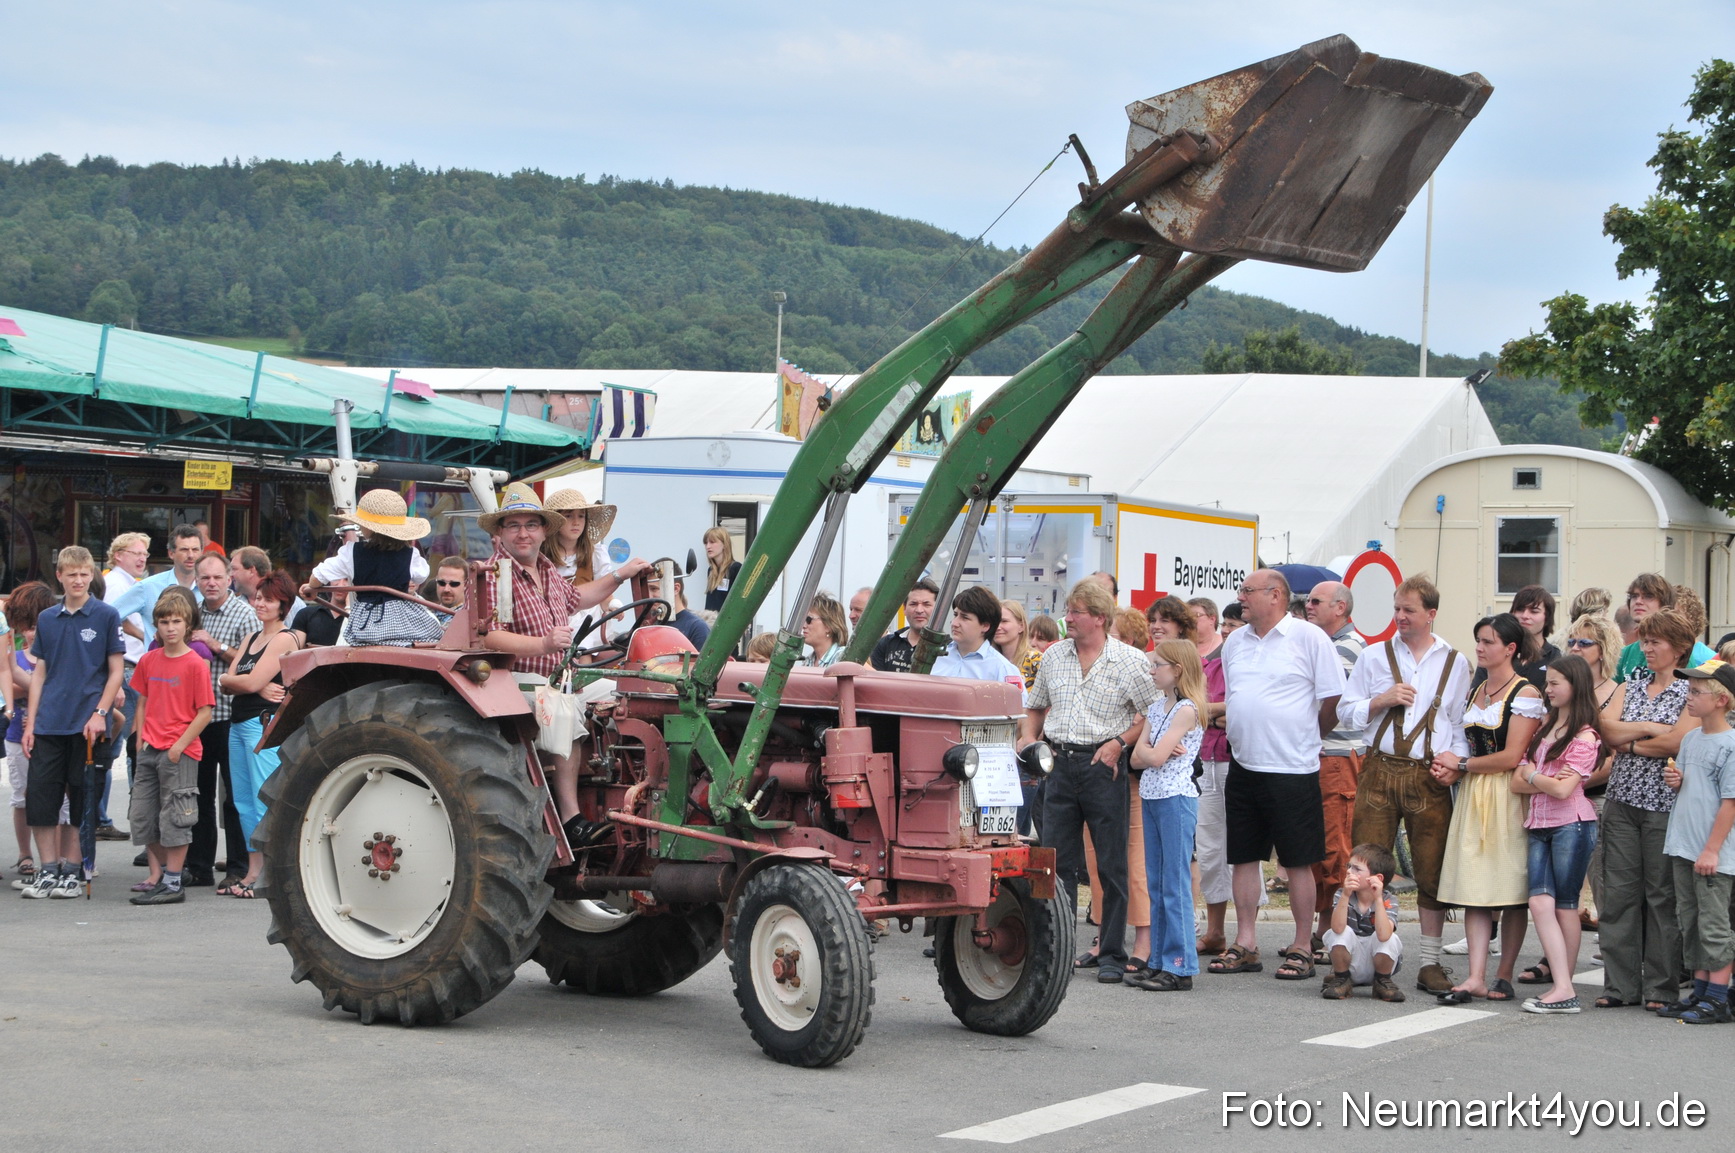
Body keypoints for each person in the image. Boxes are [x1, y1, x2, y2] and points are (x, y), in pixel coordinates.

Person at [478, 484, 648, 849]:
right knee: (565, 710)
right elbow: (490, 635)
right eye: (513, 525)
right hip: (518, 679)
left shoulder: (546, 569)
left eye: (531, 525)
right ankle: (571, 818)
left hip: (559, 676)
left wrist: (622, 574)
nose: (523, 533)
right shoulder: (495, 574)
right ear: (501, 532)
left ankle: (630, 791)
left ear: (543, 530)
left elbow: (579, 597)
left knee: (628, 695)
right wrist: (543, 644)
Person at [1339, 574, 1473, 995]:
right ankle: (1359, 958)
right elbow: (1346, 712)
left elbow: (1455, 723)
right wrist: (1382, 700)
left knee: (1432, 868)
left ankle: (1430, 964)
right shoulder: (1374, 656)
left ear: (1430, 614)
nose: (1399, 617)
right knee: (1366, 865)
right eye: (1396, 609)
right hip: (1378, 768)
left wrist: (1456, 764)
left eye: (1408, 610)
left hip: (1428, 773)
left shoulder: (1455, 662)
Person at [1021, 578, 1157, 985]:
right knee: (1051, 864)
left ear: (1099, 617)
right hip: (1058, 763)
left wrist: (1120, 743)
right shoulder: (1054, 657)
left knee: (1112, 863)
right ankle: (1052, 947)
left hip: (1103, 764)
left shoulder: (1130, 660)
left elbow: (1154, 713)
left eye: (1076, 612)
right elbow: (1036, 708)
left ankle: (1111, 951)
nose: (1068, 618)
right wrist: (1029, 742)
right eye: (1068, 610)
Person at [1211, 569, 1342, 981]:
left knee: (1299, 860)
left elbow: (1332, 699)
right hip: (1245, 764)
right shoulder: (1235, 643)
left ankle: (1302, 945)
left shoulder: (1309, 638)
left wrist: (1307, 737)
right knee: (1243, 857)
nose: (1241, 597)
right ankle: (1246, 942)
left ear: (1276, 595)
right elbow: (1236, 697)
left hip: (1292, 767)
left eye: (1248, 591)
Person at [1433, 614, 1543, 1004]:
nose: (1479, 648)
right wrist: (1450, 764)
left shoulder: (1526, 694)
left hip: (1507, 794)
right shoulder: (1475, 690)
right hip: (1474, 793)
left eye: (1488, 642)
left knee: (1510, 889)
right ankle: (1476, 975)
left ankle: (1504, 973)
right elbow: (1465, 743)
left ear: (1510, 649)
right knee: (1475, 886)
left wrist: (1460, 765)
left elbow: (1512, 756)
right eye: (1478, 640)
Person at [1596, 607, 1700, 1010]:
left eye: (1656, 641)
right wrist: (1653, 729)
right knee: (1619, 895)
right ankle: (1619, 986)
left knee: (1661, 896)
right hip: (1622, 801)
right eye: (1644, 640)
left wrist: (1633, 741)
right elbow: (1605, 728)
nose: (1647, 648)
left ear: (1679, 649)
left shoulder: (1688, 690)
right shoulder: (1631, 684)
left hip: (1664, 806)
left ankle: (1661, 986)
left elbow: (1678, 743)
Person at [20, 547, 124, 899]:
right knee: (41, 798)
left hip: (88, 725)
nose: (78, 580)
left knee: (82, 799)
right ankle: (47, 868)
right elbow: (40, 673)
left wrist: (99, 713)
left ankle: (71, 868)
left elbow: (115, 672)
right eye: (71, 574)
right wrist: (31, 723)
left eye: (84, 574)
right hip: (50, 722)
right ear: (60, 576)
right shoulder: (48, 618)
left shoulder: (106, 615)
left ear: (91, 575)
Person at [1508, 654, 1602, 1014]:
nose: (1548, 689)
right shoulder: (1544, 727)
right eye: (1548, 683)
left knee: (1564, 905)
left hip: (1572, 824)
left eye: (1555, 683)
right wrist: (1540, 779)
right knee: (1540, 902)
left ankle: (1564, 988)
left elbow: (1564, 790)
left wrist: (1534, 776)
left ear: (1574, 686)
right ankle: (1563, 986)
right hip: (1539, 825)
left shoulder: (1586, 735)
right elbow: (1518, 781)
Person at [125, 590, 215, 905]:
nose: (170, 628)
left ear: (187, 623)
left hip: (180, 750)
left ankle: (174, 882)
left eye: (176, 621)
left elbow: (206, 711)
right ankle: (163, 875)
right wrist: (139, 739)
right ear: (156, 626)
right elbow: (142, 700)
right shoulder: (149, 660)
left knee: (177, 816)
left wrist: (179, 746)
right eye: (164, 622)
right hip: (149, 747)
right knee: (142, 816)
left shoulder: (195, 663)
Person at [1126, 639, 1206, 992]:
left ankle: (1180, 964)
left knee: (1174, 883)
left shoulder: (1187, 710)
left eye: (1158, 664)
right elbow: (1136, 758)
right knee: (1156, 881)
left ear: (1178, 669)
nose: (1152, 670)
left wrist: (1150, 751)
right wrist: (1150, 749)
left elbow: (1154, 758)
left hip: (1176, 796)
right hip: (1152, 793)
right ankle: (1157, 959)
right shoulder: (1157, 708)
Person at [1658, 659, 1735, 1023]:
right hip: (1684, 845)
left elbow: (1730, 802)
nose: (1689, 698)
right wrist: (1678, 780)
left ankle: (1719, 998)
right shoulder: (1690, 738)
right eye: (1689, 691)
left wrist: (1712, 849)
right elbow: (1693, 786)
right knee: (1690, 920)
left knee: (1713, 924)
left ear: (1721, 700)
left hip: (1711, 851)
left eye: (1696, 692)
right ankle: (1701, 991)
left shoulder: (1731, 743)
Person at [217, 571, 302, 898]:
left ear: (284, 604)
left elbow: (243, 682)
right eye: (258, 597)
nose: (260, 604)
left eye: (268, 599)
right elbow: (227, 682)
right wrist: (239, 681)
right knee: (241, 801)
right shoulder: (251, 638)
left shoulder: (286, 638)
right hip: (239, 723)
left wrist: (239, 681)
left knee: (263, 798)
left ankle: (267, 873)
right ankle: (254, 870)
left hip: (262, 724)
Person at [183, 552, 260, 889]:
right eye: (204, 579)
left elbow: (254, 664)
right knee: (198, 794)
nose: (211, 584)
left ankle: (238, 866)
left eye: (217, 577)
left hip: (231, 715)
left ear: (230, 578)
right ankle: (198, 865)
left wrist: (217, 646)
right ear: (196, 582)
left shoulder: (245, 614)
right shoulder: (191, 613)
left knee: (234, 797)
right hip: (197, 717)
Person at [1305, 580, 1365, 963]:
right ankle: (1323, 928)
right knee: (1317, 846)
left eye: (1316, 601)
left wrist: (1309, 733)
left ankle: (1336, 930)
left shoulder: (1348, 647)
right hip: (1319, 755)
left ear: (1340, 607)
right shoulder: (1325, 644)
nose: (1307, 606)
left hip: (1337, 755)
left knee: (1334, 846)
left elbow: (1329, 702)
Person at [305, 490, 442, 646]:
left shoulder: (351, 552)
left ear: (368, 527)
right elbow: (421, 576)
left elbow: (318, 576)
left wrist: (311, 587)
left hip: (365, 623)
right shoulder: (410, 554)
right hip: (401, 622)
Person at [1559, 613, 1624, 929]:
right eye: (1571, 641)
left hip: (1596, 798)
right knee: (1562, 887)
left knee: (1602, 881)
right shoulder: (1561, 690)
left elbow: (1613, 757)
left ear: (1604, 648)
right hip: (1557, 798)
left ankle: (1614, 957)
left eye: (1584, 642)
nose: (1575, 648)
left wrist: (1575, 781)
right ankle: (1552, 959)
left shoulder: (1617, 692)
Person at [1191, 594, 1236, 957]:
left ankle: (1243, 932)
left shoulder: (1229, 654)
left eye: (1194, 617)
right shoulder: (1189, 658)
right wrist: (1209, 713)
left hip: (1229, 757)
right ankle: (1216, 930)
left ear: (1209, 617)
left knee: (1236, 848)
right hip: (1199, 758)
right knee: (1207, 848)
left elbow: (1239, 704)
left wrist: (1205, 711)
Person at [99, 531, 151, 840]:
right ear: (118, 555)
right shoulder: (115, 584)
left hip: (132, 668)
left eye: (145, 553)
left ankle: (103, 815)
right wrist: (138, 635)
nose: (142, 557)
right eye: (136, 552)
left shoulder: (130, 583)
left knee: (124, 743)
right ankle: (102, 816)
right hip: (127, 670)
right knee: (126, 743)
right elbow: (110, 619)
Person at [6, 583, 54, 888]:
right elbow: (6, 686)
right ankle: (26, 854)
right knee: (21, 796)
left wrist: (31, 686)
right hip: (16, 733)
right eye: (29, 627)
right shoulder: (17, 655)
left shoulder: (54, 655)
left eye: (38, 626)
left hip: (49, 733)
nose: (33, 633)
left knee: (54, 798)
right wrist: (38, 687)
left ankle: (56, 859)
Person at [1318, 843, 1406, 1002]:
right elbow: (1337, 928)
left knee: (1391, 938)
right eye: (1349, 866)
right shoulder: (1342, 894)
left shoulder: (1388, 900)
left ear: (1377, 878)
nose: (1349, 872)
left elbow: (1384, 934)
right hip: (1351, 963)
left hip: (1377, 964)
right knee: (1338, 932)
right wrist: (1345, 895)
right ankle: (1342, 979)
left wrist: (1378, 899)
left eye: (1357, 869)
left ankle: (1382, 981)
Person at [543, 489, 626, 644]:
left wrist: (613, 606)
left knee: (585, 647)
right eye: (568, 516)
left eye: (581, 516)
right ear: (555, 521)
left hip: (589, 625)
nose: (576, 522)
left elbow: (604, 594)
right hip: (552, 623)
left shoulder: (595, 554)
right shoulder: (541, 557)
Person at [110, 524, 203, 648]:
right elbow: (109, 616)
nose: (191, 555)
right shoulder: (148, 587)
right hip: (156, 663)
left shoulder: (209, 588)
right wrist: (143, 636)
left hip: (197, 663)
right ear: (171, 553)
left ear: (202, 552)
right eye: (184, 550)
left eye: (195, 549)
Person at [1615, 574, 1714, 682]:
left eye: (1648, 596)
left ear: (1665, 603)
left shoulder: (1677, 650)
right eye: (1634, 596)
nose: (1638, 601)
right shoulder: (1625, 653)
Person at [932, 587, 1023, 685]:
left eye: (965, 617)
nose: (955, 623)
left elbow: (1016, 700)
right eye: (955, 615)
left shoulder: (1002, 669)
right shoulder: (935, 657)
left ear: (985, 626)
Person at [869, 579, 938, 673]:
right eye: (913, 604)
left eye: (926, 604)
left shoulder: (946, 649)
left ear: (937, 610)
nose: (919, 610)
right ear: (904, 609)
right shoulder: (885, 644)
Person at [1510, 584, 1562, 686]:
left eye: (1534, 611)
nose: (1525, 616)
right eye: (1520, 610)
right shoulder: (1498, 652)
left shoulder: (1555, 658)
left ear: (1547, 617)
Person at [651, 572, 711, 650]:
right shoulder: (648, 624)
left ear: (675, 589)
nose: (649, 595)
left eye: (654, 589)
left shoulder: (697, 628)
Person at [995, 599, 1040, 687]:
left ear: (1021, 626)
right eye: (995, 622)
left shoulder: (1036, 661)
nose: (998, 627)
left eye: (1004, 621)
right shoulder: (990, 661)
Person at [702, 527, 743, 614]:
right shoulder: (711, 570)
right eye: (706, 543)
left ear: (724, 544)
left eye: (712, 542)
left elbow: (740, 601)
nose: (708, 546)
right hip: (710, 622)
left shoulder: (735, 568)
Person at [801, 593, 847, 668]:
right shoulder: (808, 661)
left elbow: (871, 676)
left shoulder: (843, 657)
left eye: (809, 619)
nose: (803, 626)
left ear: (828, 626)